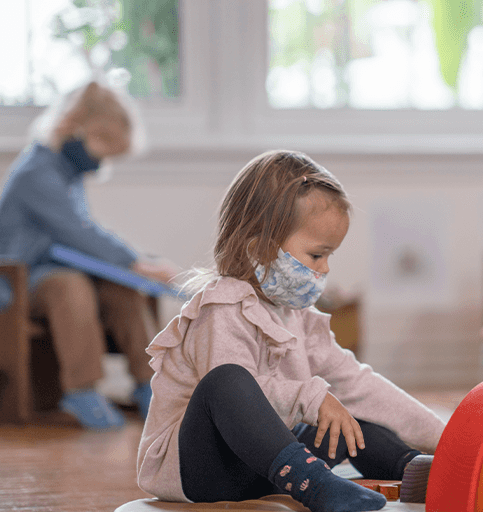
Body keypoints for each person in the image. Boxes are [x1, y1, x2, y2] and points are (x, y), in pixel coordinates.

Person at [136, 150, 445, 512]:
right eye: (317, 255)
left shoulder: (299, 315)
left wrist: (445, 438)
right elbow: (233, 403)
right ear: (261, 249)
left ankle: (413, 470)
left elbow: (359, 384)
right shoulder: (219, 309)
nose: (326, 268)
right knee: (227, 381)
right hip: (200, 469)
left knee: (348, 413)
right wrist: (311, 398)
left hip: (264, 467)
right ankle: (317, 486)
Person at [0, 80, 177, 430]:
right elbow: (76, 232)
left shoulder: (68, 174)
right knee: (70, 286)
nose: (101, 161)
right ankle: (81, 390)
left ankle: (150, 384)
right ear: (77, 130)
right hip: (23, 279)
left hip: (63, 269)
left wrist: (132, 267)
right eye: (102, 149)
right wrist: (134, 261)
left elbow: (81, 236)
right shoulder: (36, 172)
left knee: (122, 290)